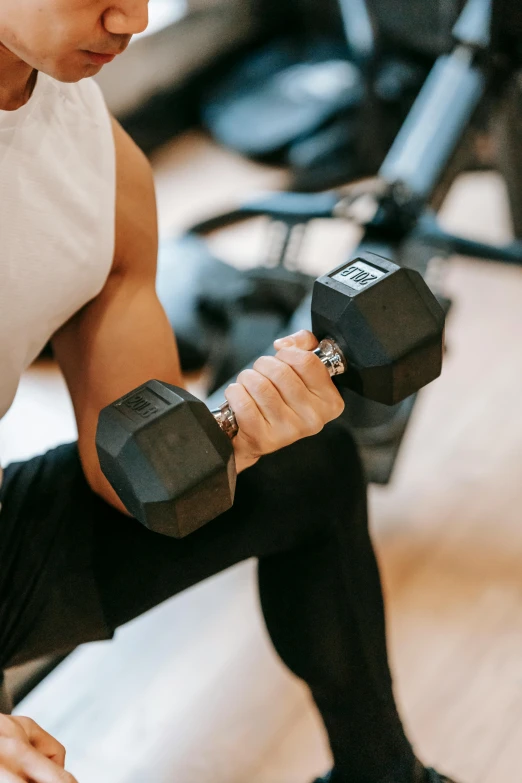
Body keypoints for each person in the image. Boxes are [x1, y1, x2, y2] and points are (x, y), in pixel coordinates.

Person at [0, 2, 459, 782]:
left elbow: (136, 469)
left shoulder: (97, 160)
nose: (132, 17)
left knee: (308, 470)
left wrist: (234, 437)